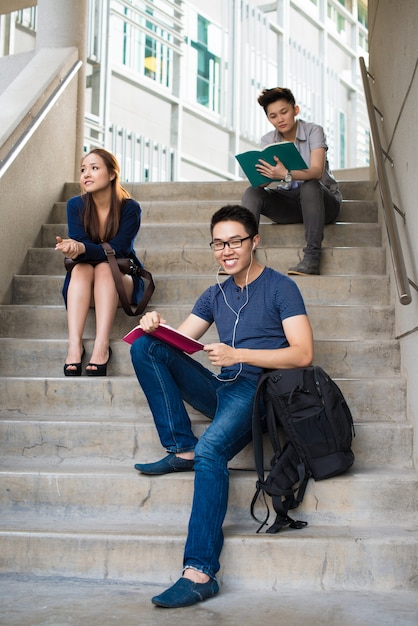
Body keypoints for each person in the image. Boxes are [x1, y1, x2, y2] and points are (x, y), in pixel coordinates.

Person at [130, 204, 313, 608]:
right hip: (224, 388)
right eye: (218, 243)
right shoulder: (215, 294)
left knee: (212, 451)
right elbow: (182, 341)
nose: (226, 250)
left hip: (259, 395)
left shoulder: (281, 288)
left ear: (254, 242)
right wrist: (156, 327)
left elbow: (302, 354)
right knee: (147, 347)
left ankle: (200, 572)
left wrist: (238, 355)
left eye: (234, 241)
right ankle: (181, 447)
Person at [56, 148, 142, 376]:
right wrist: (77, 248)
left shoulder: (130, 208)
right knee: (83, 268)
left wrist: (83, 249)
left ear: (112, 174)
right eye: (83, 169)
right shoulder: (75, 205)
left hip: (120, 281)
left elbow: (120, 249)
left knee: (105, 267)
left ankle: (101, 346)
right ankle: (74, 345)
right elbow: (82, 244)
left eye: (94, 168)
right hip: (84, 286)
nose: (87, 174)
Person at [242, 87, 342, 276]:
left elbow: (316, 171)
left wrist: (286, 174)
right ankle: (244, 255)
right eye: (273, 116)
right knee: (252, 192)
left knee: (310, 185)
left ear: (295, 110)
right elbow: (264, 182)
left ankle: (312, 257)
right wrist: (261, 176)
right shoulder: (268, 140)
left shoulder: (314, 131)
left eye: (284, 112)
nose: (279, 119)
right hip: (290, 202)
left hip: (322, 202)